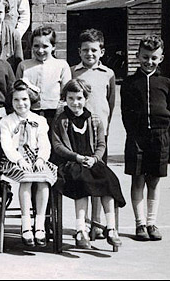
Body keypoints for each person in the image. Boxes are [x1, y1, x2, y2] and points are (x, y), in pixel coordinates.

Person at [51, 79, 126, 249]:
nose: (75, 103)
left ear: (85, 99)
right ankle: (80, 230)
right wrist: (76, 157)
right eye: (71, 98)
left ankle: (111, 228)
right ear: (65, 99)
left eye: (79, 98)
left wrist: (95, 158)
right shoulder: (61, 120)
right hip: (71, 163)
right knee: (83, 182)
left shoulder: (94, 120)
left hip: (91, 161)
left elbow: (101, 144)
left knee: (109, 181)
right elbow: (58, 146)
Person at [120, 34, 170, 242]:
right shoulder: (130, 83)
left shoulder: (166, 83)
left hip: (159, 137)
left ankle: (152, 222)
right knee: (138, 179)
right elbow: (125, 112)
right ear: (137, 56)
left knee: (154, 181)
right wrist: (133, 133)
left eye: (153, 58)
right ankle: (140, 224)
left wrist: (163, 131)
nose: (148, 61)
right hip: (137, 137)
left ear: (160, 58)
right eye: (145, 57)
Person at [0, 80, 57, 247]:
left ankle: (39, 225)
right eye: (16, 100)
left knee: (44, 179)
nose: (20, 104)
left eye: (24, 99)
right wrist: (19, 159)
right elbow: (7, 145)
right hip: (14, 161)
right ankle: (25, 225)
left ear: (31, 101)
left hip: (36, 159)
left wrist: (41, 159)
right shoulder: (6, 121)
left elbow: (45, 143)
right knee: (27, 178)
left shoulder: (40, 120)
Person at [72, 28, 117, 239]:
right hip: (79, 134)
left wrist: (103, 129)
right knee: (83, 179)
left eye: (94, 50)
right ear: (79, 51)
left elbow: (110, 105)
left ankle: (98, 223)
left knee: (100, 178)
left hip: (100, 136)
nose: (89, 54)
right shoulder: (73, 72)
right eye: (85, 50)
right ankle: (83, 222)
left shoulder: (108, 74)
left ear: (102, 51)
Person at [16, 26, 71, 122]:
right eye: (36, 46)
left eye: (45, 46)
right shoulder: (23, 65)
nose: (40, 51)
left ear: (53, 47)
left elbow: (66, 94)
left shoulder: (62, 65)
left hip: (54, 115)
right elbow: (17, 92)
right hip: (29, 113)